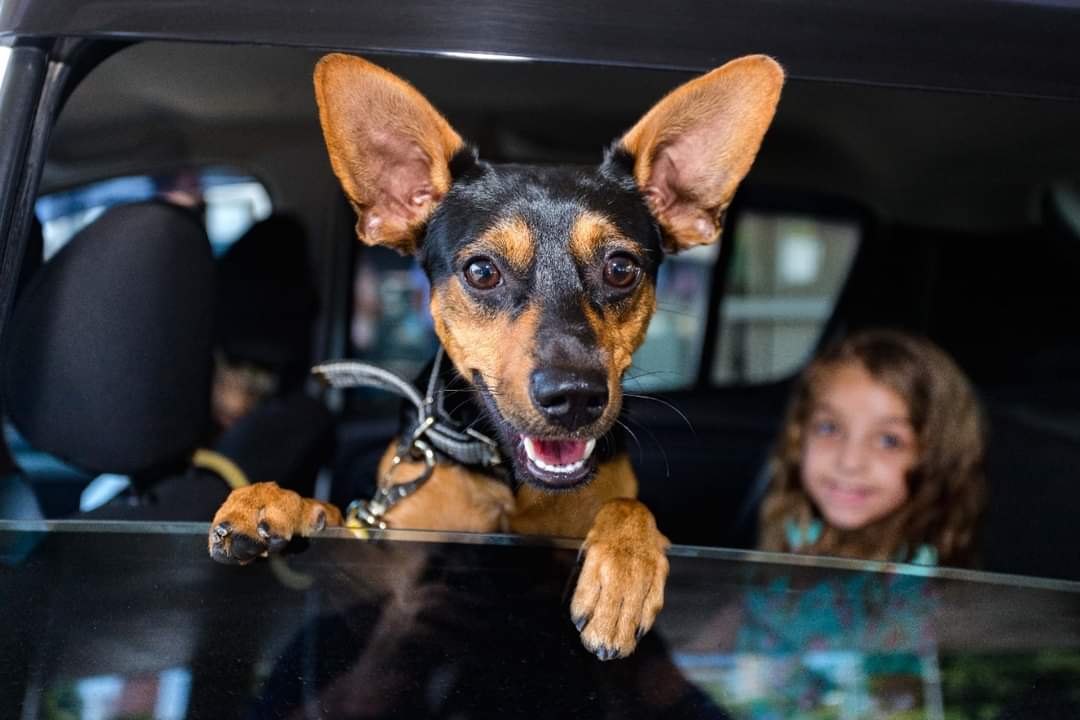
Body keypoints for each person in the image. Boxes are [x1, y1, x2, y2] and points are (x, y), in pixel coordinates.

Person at [758, 328, 986, 566]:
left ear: (935, 458)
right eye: (829, 428)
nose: (849, 462)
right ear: (799, 435)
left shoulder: (917, 578)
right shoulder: (799, 533)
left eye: (889, 441)